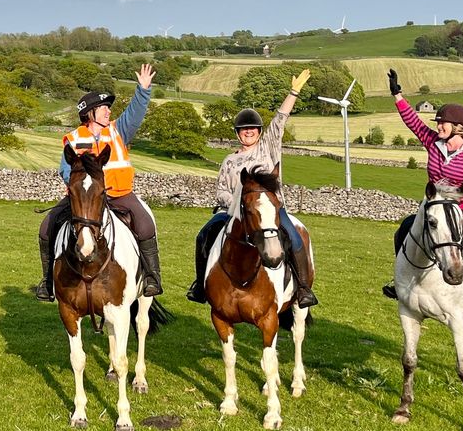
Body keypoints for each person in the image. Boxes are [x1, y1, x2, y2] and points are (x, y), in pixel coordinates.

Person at [382, 69, 463, 318]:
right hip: (438, 205)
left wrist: (454, 200)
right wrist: (397, 94)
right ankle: (402, 282)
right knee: (405, 229)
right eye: (438, 122)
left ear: (458, 128)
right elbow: (412, 121)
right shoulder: (432, 142)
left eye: (443, 123)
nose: (438, 126)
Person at [186, 69, 317, 308]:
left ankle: (304, 289)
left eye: (253, 129)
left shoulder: (268, 148)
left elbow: (280, 119)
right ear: (237, 133)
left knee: (295, 239)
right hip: (233, 214)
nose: (249, 132)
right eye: (244, 129)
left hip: (270, 212)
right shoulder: (229, 161)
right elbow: (221, 192)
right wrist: (237, 203)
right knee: (203, 235)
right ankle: (200, 285)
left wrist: (293, 92)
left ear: (259, 132)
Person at [34, 64, 161, 302]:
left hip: (119, 194)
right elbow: (65, 170)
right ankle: (48, 282)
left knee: (145, 225)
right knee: (45, 229)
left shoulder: (118, 131)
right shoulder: (73, 139)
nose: (107, 112)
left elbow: (134, 113)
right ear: (88, 113)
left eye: (107, 108)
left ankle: (152, 278)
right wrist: (82, 188)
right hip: (84, 199)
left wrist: (143, 90)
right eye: (102, 108)